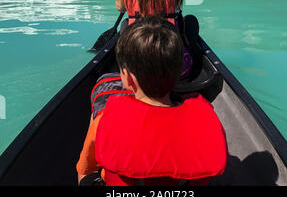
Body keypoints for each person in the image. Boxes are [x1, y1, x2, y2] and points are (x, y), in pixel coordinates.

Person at [76, 16, 227, 186]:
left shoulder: (103, 120)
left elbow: (85, 170)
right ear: (179, 74)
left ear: (127, 78)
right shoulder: (205, 122)